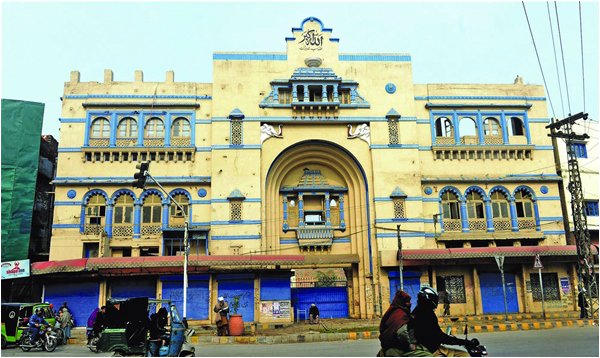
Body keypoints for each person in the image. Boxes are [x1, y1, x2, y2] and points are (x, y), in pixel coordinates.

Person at [410, 286, 479, 357]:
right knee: (464, 355)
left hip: (427, 347)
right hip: (431, 350)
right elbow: (440, 337)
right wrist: (464, 342)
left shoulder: (416, 312)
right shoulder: (427, 314)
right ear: (429, 299)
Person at [378, 290, 432, 357]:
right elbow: (401, 332)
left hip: (388, 348)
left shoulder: (393, 311)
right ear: (401, 302)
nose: (409, 303)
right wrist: (409, 345)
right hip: (397, 350)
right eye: (407, 302)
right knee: (428, 355)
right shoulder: (401, 314)